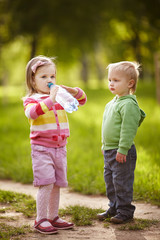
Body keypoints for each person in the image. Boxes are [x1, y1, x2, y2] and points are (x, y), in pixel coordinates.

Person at [23, 55, 87, 234]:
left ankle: (53, 216)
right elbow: (32, 114)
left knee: (57, 184)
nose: (49, 80)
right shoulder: (31, 100)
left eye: (52, 76)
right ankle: (40, 219)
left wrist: (71, 91)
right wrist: (51, 99)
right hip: (42, 149)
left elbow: (81, 101)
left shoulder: (59, 97)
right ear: (33, 81)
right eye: (43, 77)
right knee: (46, 183)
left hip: (60, 148)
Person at [97, 61, 146, 224]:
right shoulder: (111, 103)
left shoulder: (128, 104)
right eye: (110, 79)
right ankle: (114, 207)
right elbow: (107, 126)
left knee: (121, 182)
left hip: (122, 151)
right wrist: (104, 145)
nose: (111, 83)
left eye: (116, 80)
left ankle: (125, 210)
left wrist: (123, 149)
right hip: (110, 150)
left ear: (130, 83)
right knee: (110, 181)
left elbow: (128, 129)